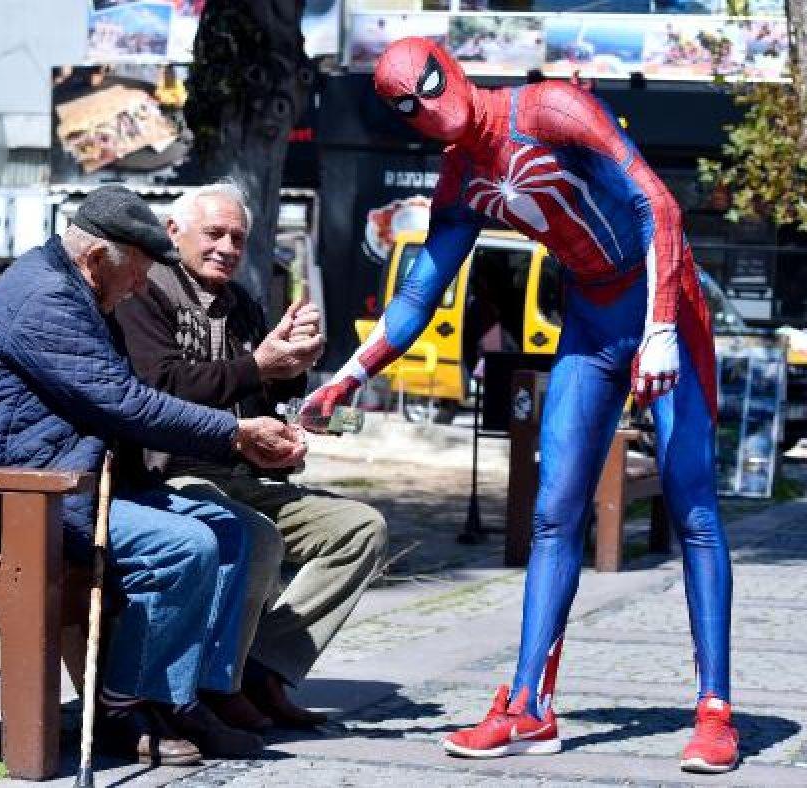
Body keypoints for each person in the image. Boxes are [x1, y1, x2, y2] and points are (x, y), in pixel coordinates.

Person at [301, 39, 738, 774]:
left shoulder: (550, 108)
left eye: (428, 90)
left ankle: (715, 709)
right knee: (551, 513)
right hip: (593, 321)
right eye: (406, 107)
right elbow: (418, 294)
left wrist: (662, 326)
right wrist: (349, 374)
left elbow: (656, 204)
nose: (427, 112)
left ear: (455, 68)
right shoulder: (460, 177)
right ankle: (531, 703)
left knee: (693, 505)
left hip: (665, 302)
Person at [0, 184, 307, 765]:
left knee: (238, 533)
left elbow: (119, 403)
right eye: (137, 274)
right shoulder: (46, 300)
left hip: (60, 481)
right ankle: (123, 703)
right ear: (97, 256)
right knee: (184, 546)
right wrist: (232, 433)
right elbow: (123, 402)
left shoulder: (80, 292)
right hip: (11, 498)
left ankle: (181, 697)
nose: (139, 287)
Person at [115, 181, 389, 731]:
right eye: (214, 233)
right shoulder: (146, 292)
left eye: (237, 238)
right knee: (254, 535)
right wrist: (260, 365)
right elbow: (161, 386)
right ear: (175, 233)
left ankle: (265, 666)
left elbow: (254, 398)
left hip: (239, 473)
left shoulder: (241, 304)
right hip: (167, 479)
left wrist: (294, 387)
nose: (227, 248)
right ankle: (220, 685)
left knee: (363, 529)